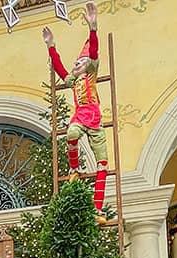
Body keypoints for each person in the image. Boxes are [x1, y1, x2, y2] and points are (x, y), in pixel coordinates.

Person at [43, 1, 109, 222]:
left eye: (81, 62)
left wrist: (93, 28)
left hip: (96, 120)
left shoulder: (91, 74)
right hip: (80, 116)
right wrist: (51, 47)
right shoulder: (74, 81)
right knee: (71, 135)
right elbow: (60, 69)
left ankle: (97, 209)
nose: (77, 65)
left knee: (102, 164)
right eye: (76, 63)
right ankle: (74, 168)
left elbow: (93, 51)